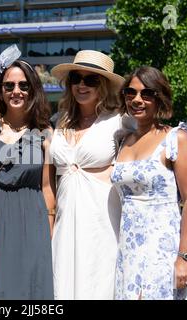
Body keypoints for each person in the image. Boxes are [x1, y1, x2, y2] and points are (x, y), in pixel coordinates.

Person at [111, 66, 187, 300]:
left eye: (147, 94)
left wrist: (184, 257)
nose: (137, 100)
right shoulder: (123, 140)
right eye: (131, 93)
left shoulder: (176, 139)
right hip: (128, 249)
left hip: (162, 247)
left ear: (159, 97)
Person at [49, 50, 136, 299]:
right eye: (76, 78)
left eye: (91, 80)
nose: (81, 85)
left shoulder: (119, 121)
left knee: (97, 283)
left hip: (101, 219)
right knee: (62, 284)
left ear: (104, 86)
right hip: (65, 220)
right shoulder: (60, 121)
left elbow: (151, 141)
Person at [0, 45, 55, 299]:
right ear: (0, 90)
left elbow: (47, 187)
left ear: (33, 89)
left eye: (24, 86)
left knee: (30, 289)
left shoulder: (44, 132)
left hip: (32, 223)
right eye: (9, 85)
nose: (16, 91)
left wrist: (50, 233)